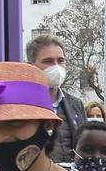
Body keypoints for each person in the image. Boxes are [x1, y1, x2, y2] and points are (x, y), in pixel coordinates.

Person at [26, 34, 87, 162]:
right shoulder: (24, 106)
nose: (56, 67)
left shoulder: (75, 104)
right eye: (48, 61)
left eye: (60, 60)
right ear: (30, 67)